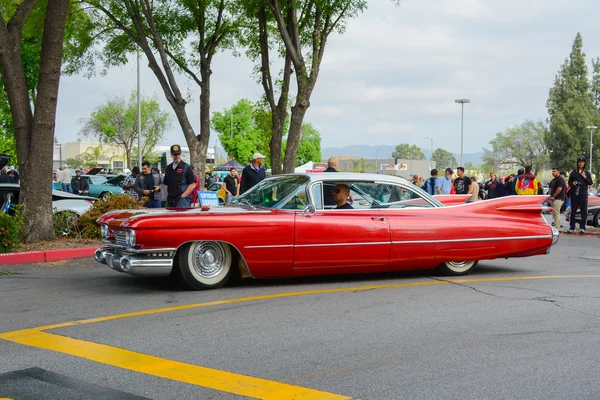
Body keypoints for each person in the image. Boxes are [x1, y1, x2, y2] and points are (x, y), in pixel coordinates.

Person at [568, 156, 593, 233]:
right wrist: (573, 183)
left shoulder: (587, 173)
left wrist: (585, 177)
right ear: (577, 163)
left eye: (582, 162)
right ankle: (572, 227)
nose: (581, 164)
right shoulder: (573, 172)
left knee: (583, 211)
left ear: (584, 163)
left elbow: (590, 182)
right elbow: (569, 182)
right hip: (574, 194)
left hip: (583, 194)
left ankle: (582, 227)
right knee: (573, 210)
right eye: (579, 162)